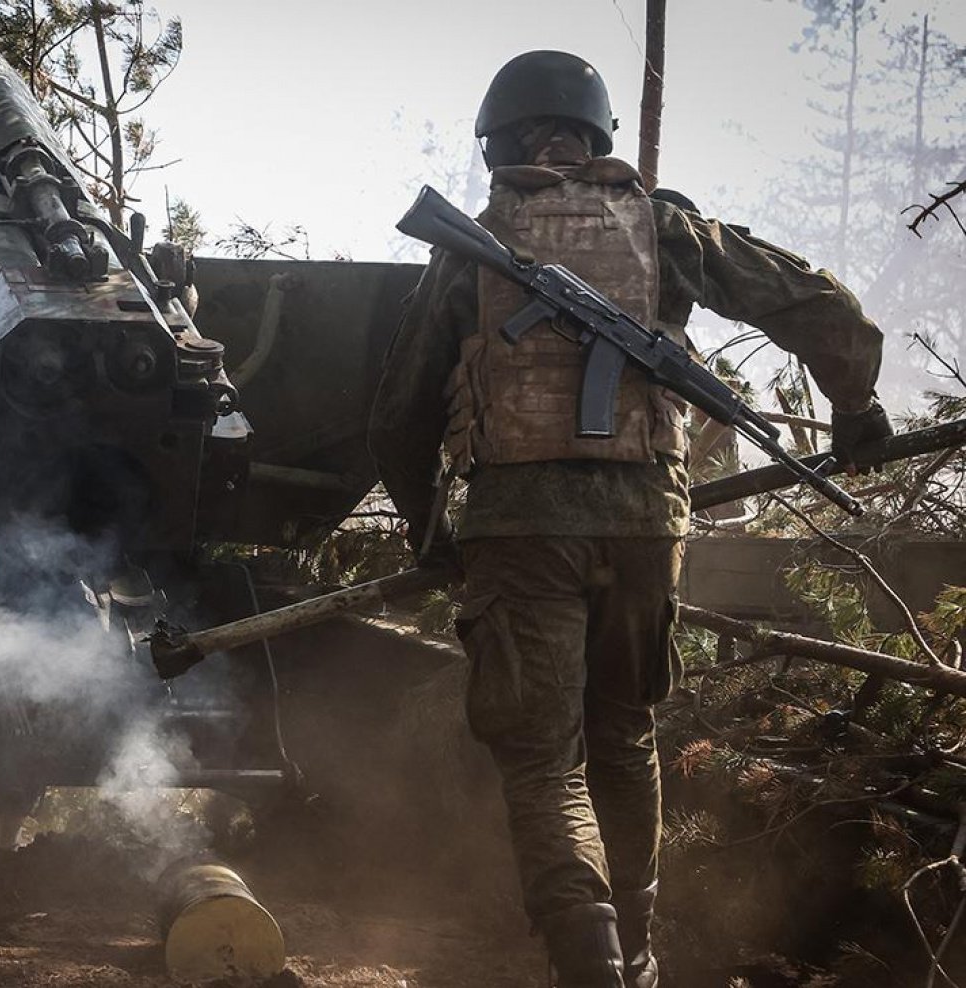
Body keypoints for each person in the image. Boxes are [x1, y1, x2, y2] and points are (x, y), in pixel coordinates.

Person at [368, 51, 891, 987]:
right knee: (625, 739)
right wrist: (854, 408)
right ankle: (638, 959)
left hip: (520, 531)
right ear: (597, 133)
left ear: (499, 143)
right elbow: (817, 305)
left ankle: (591, 965)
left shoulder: (472, 247)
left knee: (544, 764)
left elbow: (398, 417)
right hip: (648, 527)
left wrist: (432, 535)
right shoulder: (666, 227)